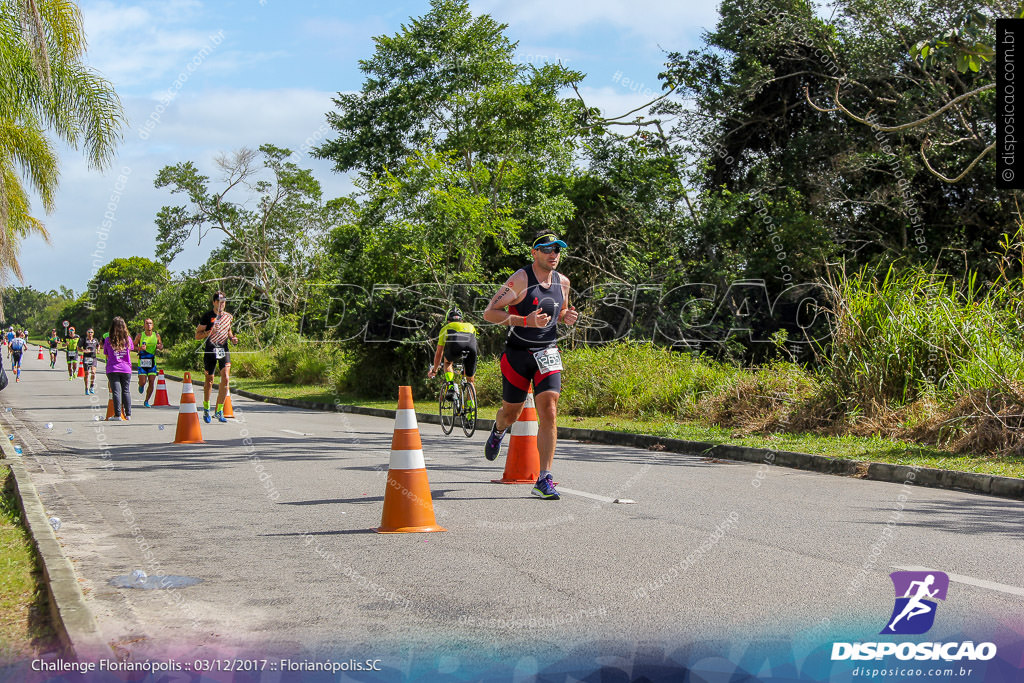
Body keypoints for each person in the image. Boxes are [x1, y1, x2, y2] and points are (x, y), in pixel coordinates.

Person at [481, 231, 579, 499]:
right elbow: (489, 312)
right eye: (547, 249)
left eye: (557, 250)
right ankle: (499, 430)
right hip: (517, 354)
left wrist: (566, 316)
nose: (553, 254)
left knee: (549, 409)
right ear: (534, 253)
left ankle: (544, 478)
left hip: (547, 352)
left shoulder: (564, 282)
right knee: (510, 413)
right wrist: (525, 321)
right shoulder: (520, 279)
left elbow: (558, 311)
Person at [195, 291, 238, 424]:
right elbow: (197, 335)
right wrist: (208, 332)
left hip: (223, 349)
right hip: (210, 350)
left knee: (225, 378)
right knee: (209, 380)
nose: (221, 304)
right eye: (219, 302)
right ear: (214, 302)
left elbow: (228, 330)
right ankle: (207, 408)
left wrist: (232, 338)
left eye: (223, 302)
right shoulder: (207, 316)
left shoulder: (228, 317)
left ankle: (219, 410)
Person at [427, 308, 478, 410]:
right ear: (461, 320)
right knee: (470, 381)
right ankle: (471, 413)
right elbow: (470, 343)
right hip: (472, 349)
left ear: (448, 320)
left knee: (447, 362)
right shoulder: (471, 326)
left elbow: (439, 353)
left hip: (456, 347)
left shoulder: (446, 328)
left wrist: (434, 370)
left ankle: (450, 386)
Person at [103, 317, 134, 421]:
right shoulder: (128, 339)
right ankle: (128, 414)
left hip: (113, 368)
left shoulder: (108, 340)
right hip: (126, 368)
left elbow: (106, 354)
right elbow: (130, 351)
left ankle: (117, 415)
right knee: (126, 390)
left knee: (116, 391)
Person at [133, 318, 163, 407]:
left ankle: (146, 401)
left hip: (152, 361)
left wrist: (159, 346)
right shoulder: (139, 336)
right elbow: (132, 346)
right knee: (143, 381)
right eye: (147, 323)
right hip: (142, 361)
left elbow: (161, 344)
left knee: (151, 381)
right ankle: (141, 385)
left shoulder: (156, 335)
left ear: (153, 325)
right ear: (144, 325)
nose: (149, 325)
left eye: (150, 323)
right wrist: (139, 348)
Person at [80, 328, 100, 395]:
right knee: (87, 373)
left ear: (93, 333)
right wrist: (84, 351)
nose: (90, 333)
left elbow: (98, 345)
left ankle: (92, 386)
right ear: (87, 333)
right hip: (86, 358)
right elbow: (78, 348)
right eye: (89, 332)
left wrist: (98, 350)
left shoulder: (95, 340)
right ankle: (86, 388)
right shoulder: (84, 340)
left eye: (91, 332)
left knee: (93, 372)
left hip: (93, 357)